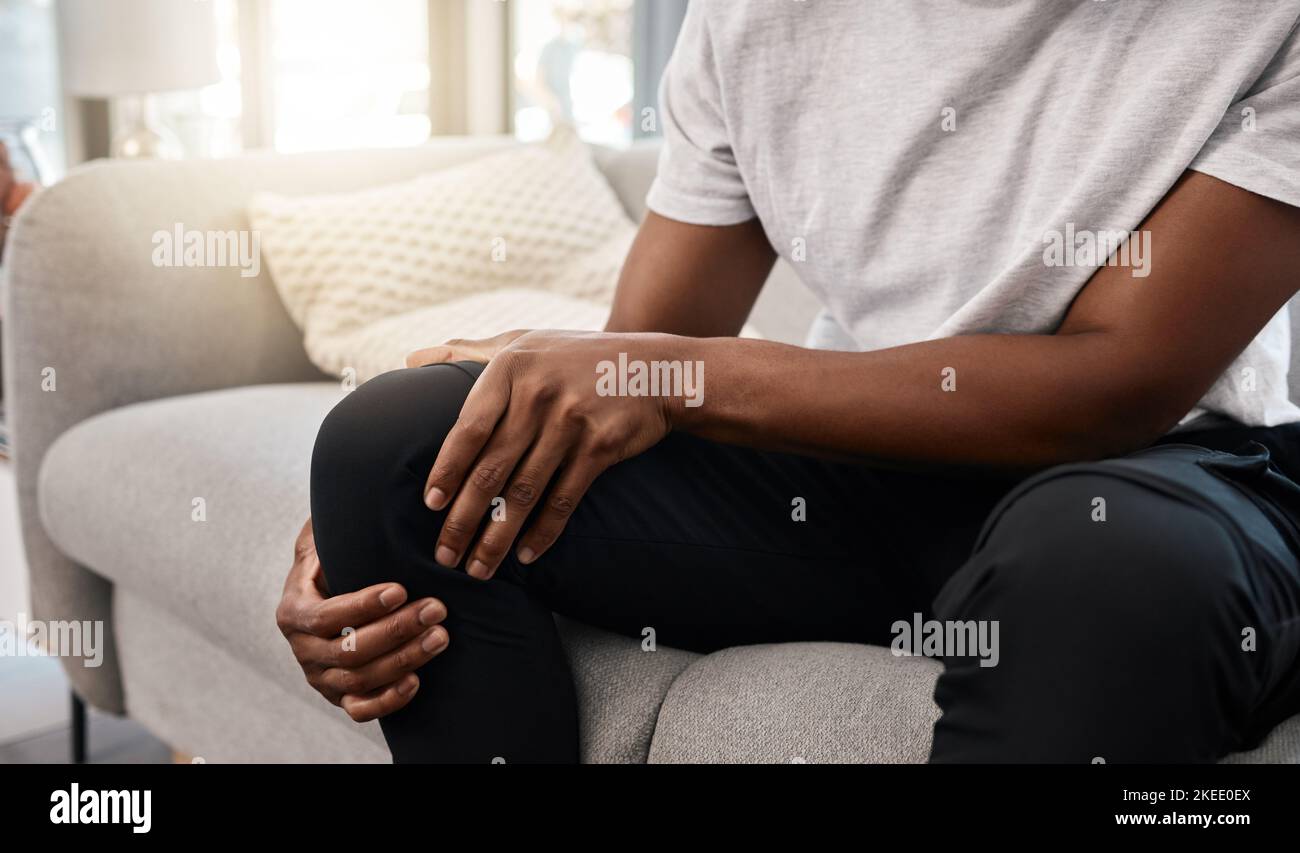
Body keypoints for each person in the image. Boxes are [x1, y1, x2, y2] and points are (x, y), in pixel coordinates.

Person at [276, 0, 1300, 763]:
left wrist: (670, 376)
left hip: (1165, 472)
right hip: (856, 462)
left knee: (1107, 572)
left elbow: (1114, 383)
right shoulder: (758, 15)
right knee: (394, 447)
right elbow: (650, 345)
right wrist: (391, 511)